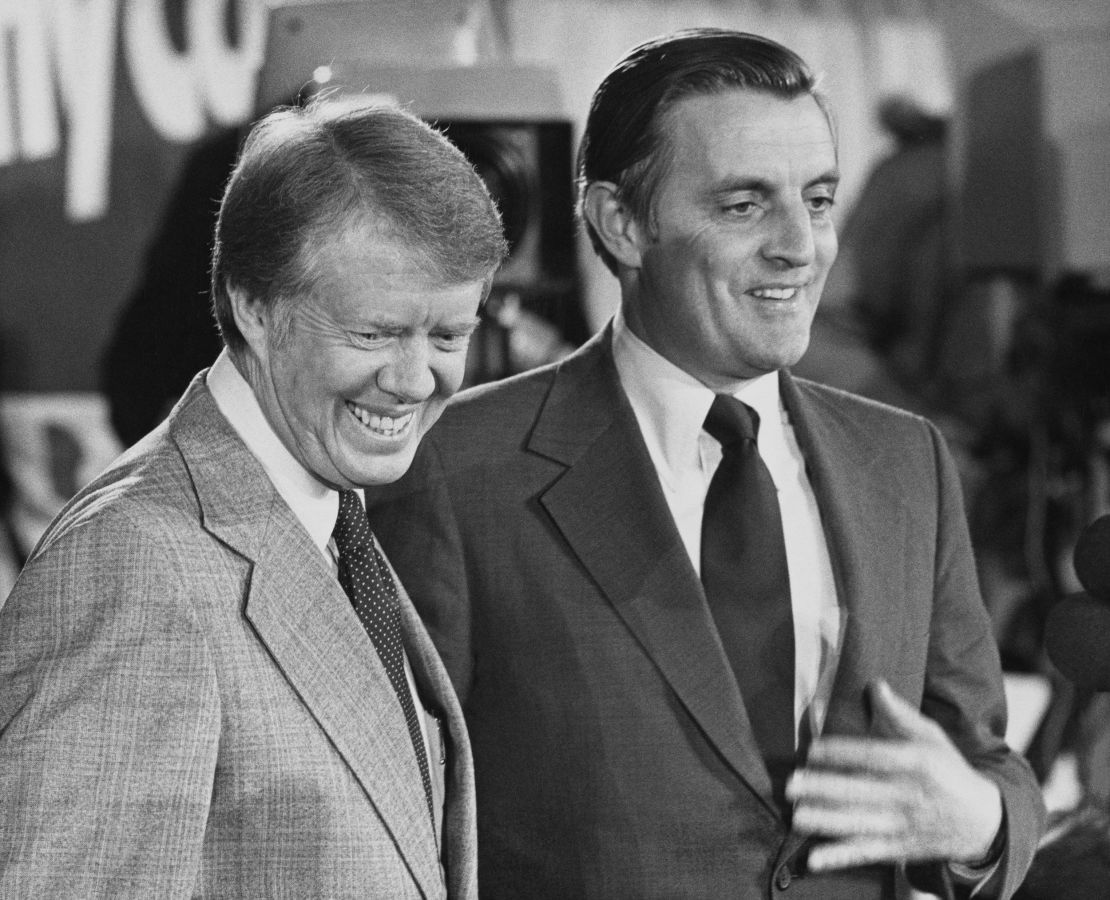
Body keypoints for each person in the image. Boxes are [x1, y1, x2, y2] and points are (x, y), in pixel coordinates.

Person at [367, 29, 1044, 899]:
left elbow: (983, 759)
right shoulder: (458, 471)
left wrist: (978, 822)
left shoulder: (904, 462)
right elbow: (385, 820)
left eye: (821, 199)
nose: (801, 247)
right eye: (744, 205)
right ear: (623, 222)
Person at [0, 98, 507, 897]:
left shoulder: (337, 522)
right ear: (256, 309)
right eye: (374, 333)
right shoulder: (131, 566)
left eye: (448, 336)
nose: (416, 381)